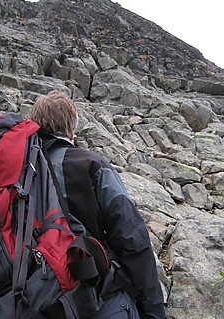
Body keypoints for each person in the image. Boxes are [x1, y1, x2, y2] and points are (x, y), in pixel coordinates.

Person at [30, 90, 167, 319]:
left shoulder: (16, 174)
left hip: (33, 299)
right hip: (95, 296)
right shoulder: (90, 164)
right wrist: (153, 312)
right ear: (72, 130)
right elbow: (131, 238)